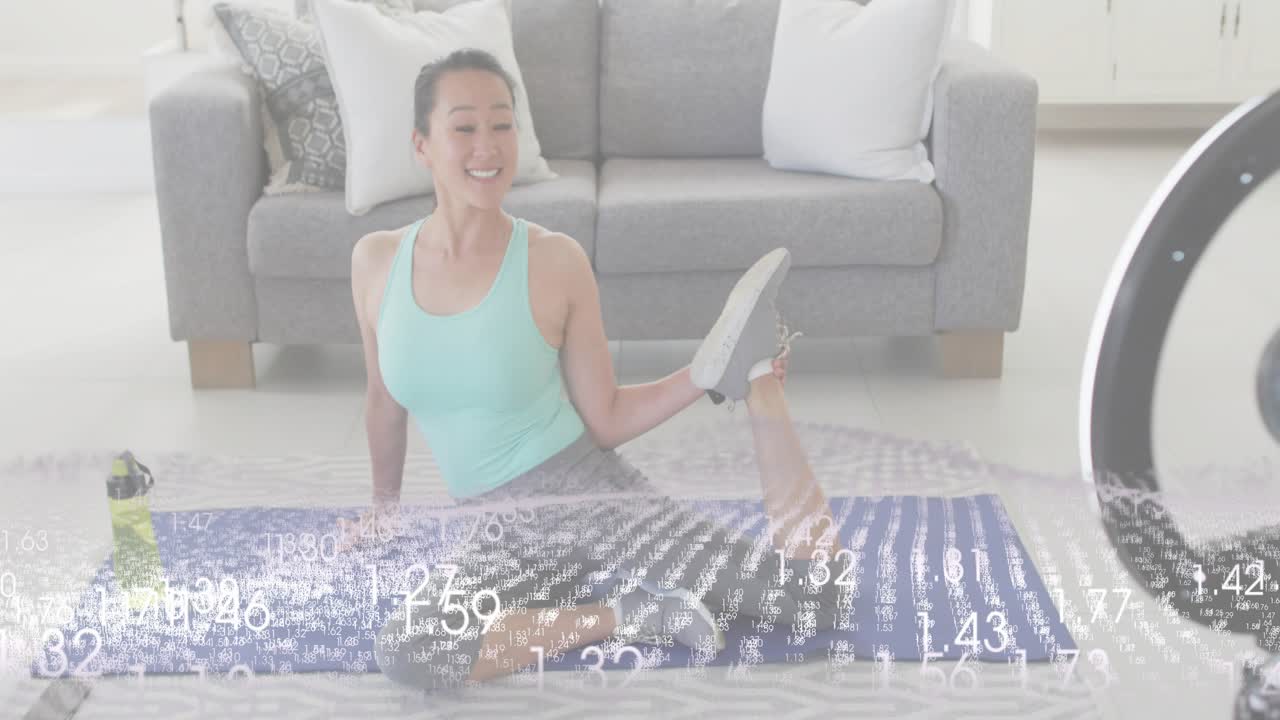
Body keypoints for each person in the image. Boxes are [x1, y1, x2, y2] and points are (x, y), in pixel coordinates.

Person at [345, 48, 845, 692]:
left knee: (813, 601)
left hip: (588, 499)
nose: (487, 145)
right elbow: (384, 402)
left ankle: (754, 381)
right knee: (413, 650)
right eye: (464, 127)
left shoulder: (554, 260)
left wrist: (703, 375)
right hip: (497, 535)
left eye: (502, 124)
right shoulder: (375, 262)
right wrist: (382, 510)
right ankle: (625, 613)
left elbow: (603, 417)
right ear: (422, 144)